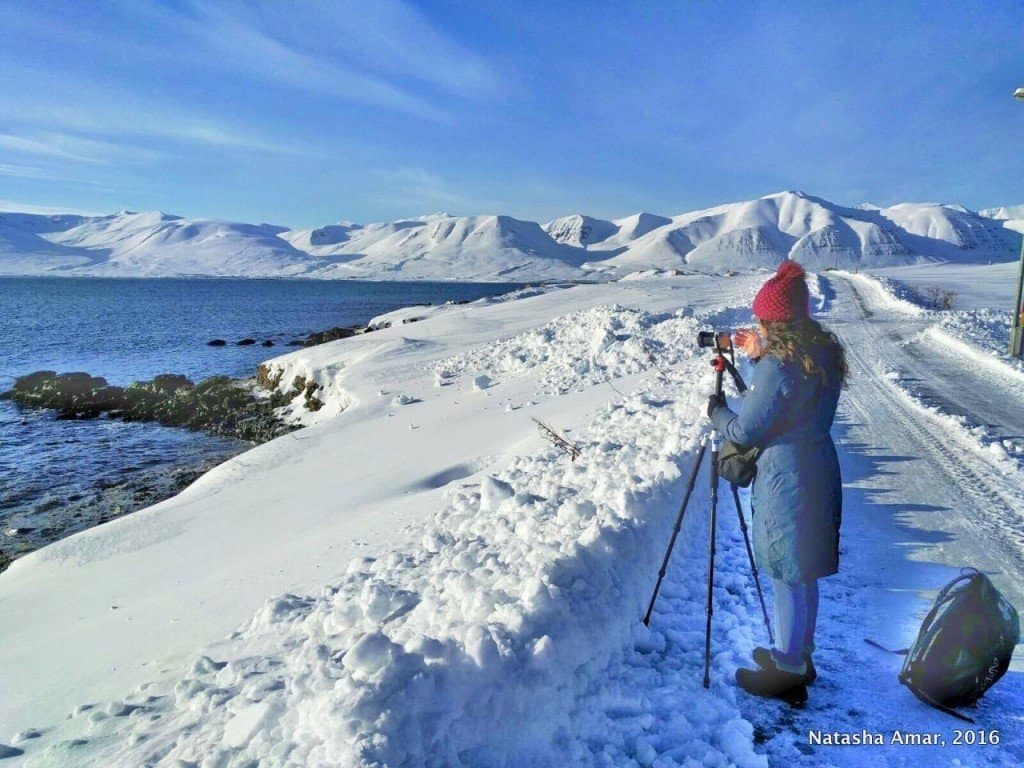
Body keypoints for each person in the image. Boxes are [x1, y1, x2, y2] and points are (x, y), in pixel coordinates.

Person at [707, 260, 847, 701]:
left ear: (776, 321)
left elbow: (747, 429)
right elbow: (784, 405)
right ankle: (798, 653)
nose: (758, 326)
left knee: (786, 569)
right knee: (803, 569)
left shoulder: (779, 366)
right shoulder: (818, 353)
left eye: (763, 320)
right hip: (817, 465)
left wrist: (717, 413)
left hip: (787, 476)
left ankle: (788, 671)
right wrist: (760, 356)